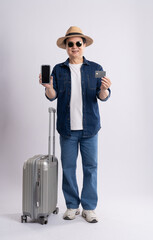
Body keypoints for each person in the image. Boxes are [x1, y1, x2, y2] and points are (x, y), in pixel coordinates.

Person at [39, 26, 111, 223]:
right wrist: (48, 88)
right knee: (68, 167)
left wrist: (104, 89)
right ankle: (72, 206)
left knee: (91, 167)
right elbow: (52, 97)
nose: (74, 47)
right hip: (67, 128)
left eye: (78, 43)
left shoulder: (96, 68)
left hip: (90, 129)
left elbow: (102, 96)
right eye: (70, 44)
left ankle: (89, 207)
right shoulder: (58, 69)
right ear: (66, 47)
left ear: (84, 45)